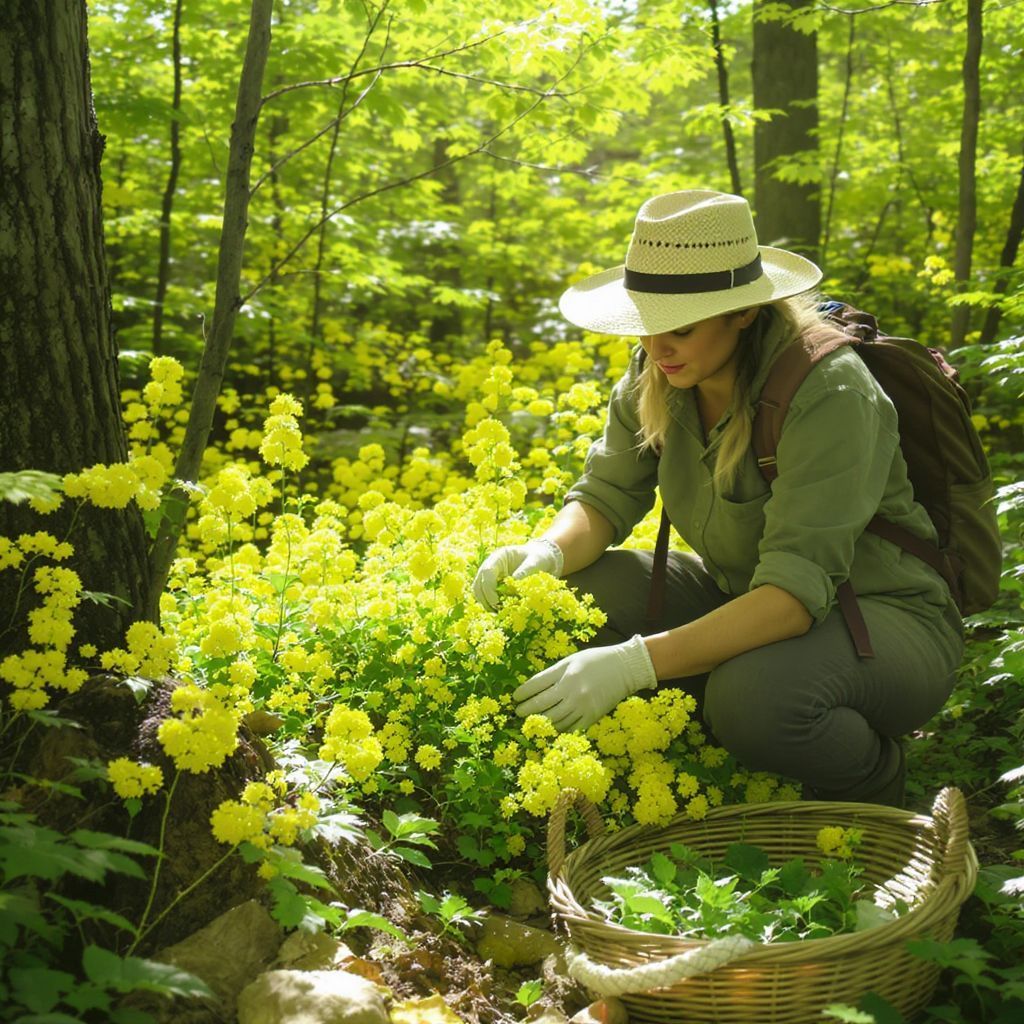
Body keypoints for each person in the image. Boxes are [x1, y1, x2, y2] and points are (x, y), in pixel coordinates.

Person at [471, 189, 964, 806]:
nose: (658, 348)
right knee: (571, 592)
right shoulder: (661, 370)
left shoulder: (829, 389)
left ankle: (871, 784)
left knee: (751, 699)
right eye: (646, 325)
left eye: (680, 327)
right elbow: (605, 495)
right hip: (747, 597)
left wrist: (633, 665)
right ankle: (715, 757)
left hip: (882, 619)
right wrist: (544, 552)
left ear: (744, 312)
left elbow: (792, 595)